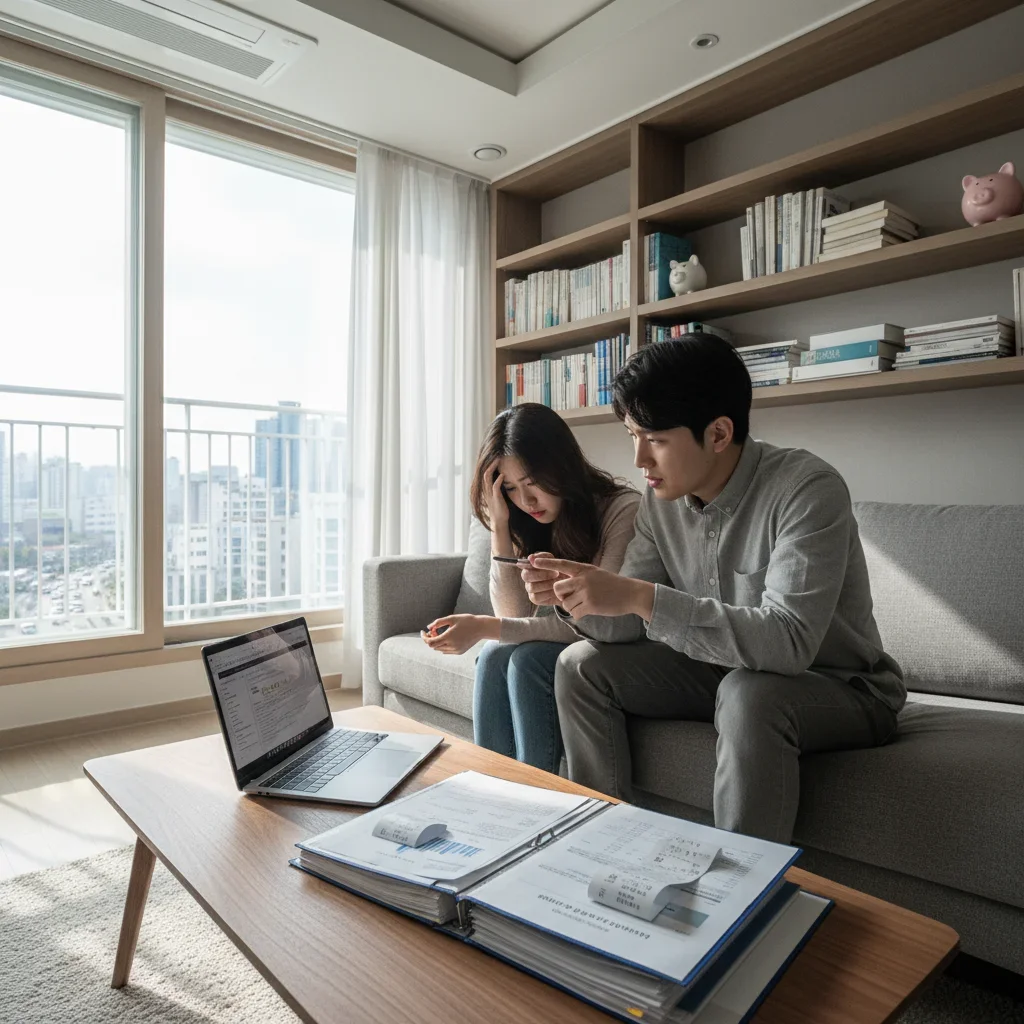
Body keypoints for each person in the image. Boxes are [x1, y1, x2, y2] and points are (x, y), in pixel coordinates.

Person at [522, 335, 905, 843]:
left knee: (749, 694)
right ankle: (601, 844)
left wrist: (639, 596)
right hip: (720, 669)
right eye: (632, 435)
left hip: (840, 686)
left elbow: (789, 643)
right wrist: (574, 594)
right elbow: (622, 627)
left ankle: (741, 880)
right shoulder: (659, 504)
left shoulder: (807, 489)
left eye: (656, 440)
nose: (639, 459)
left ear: (719, 433)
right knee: (580, 666)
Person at [422, 403, 639, 774]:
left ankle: (536, 796)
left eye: (533, 482)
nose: (527, 501)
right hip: (574, 643)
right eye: (510, 488)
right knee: (494, 654)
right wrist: (501, 527)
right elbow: (512, 614)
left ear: (561, 465)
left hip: (616, 647)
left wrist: (482, 626)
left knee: (527, 660)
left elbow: (600, 625)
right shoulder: (528, 520)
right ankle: (492, 792)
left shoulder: (622, 511)